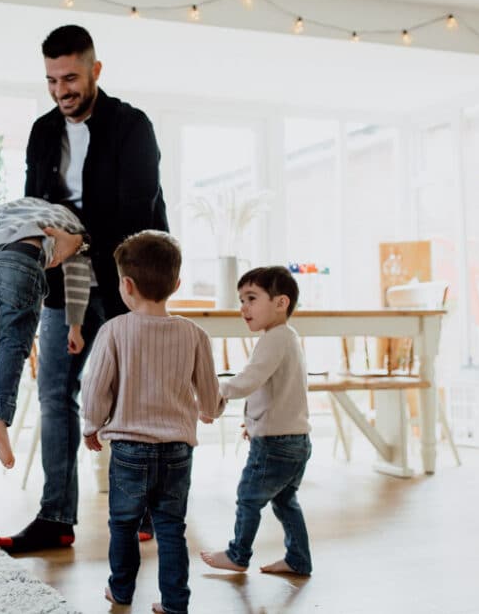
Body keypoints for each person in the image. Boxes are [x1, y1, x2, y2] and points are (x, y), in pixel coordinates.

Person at [0, 24, 169, 554]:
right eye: (51, 80)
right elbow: (34, 203)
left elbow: (137, 211)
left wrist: (79, 238)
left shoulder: (132, 126)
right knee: (54, 394)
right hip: (59, 286)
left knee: (135, 399)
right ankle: (56, 519)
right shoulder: (43, 130)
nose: (61, 90)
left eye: (70, 77)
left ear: (96, 70)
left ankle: (143, 510)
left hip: (126, 285)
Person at [82, 231, 225, 614]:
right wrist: (211, 409)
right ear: (176, 284)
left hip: (129, 450)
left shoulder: (114, 330)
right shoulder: (195, 334)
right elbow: (210, 396)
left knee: (124, 525)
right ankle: (176, 603)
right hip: (178, 450)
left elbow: (96, 388)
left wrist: (90, 425)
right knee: (171, 528)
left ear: (126, 285)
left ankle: (122, 591)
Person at [0, 196, 92, 480]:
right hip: (21, 257)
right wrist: (75, 327)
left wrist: (3, 225)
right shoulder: (72, 229)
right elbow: (76, 282)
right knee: (13, 344)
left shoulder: (17, 205)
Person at [200, 266, 313, 577]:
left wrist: (215, 392)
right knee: (285, 502)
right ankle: (298, 559)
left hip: (275, 443)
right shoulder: (286, 337)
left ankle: (238, 554)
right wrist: (253, 421)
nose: (243, 308)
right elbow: (274, 391)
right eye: (241, 300)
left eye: (251, 298)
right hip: (295, 439)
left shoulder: (275, 339)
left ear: (281, 303)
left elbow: (249, 380)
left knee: (248, 498)